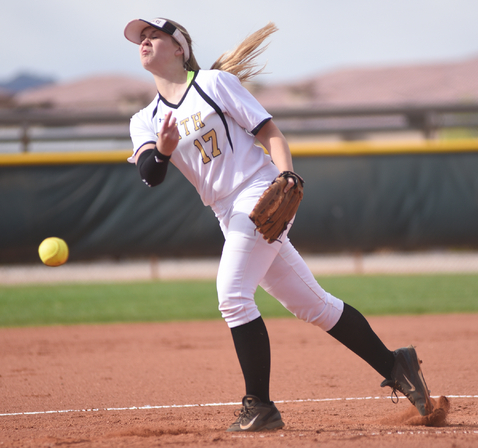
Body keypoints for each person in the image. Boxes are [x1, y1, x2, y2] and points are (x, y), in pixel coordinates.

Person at [123, 17, 433, 432]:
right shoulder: (144, 119)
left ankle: (261, 406)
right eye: (139, 39)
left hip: (258, 194)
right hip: (225, 212)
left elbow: (271, 134)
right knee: (314, 305)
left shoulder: (214, 84)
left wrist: (287, 176)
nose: (144, 41)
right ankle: (396, 365)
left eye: (153, 35)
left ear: (179, 47)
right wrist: (161, 151)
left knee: (232, 296)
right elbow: (150, 174)